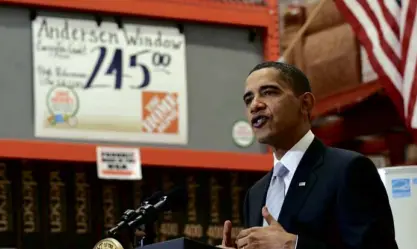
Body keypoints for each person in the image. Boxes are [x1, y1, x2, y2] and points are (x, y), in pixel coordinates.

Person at [220, 62, 398, 249]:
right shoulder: (255, 194)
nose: (255, 105)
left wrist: (294, 245)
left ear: (305, 103)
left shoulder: (349, 170)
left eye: (269, 92)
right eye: (248, 99)